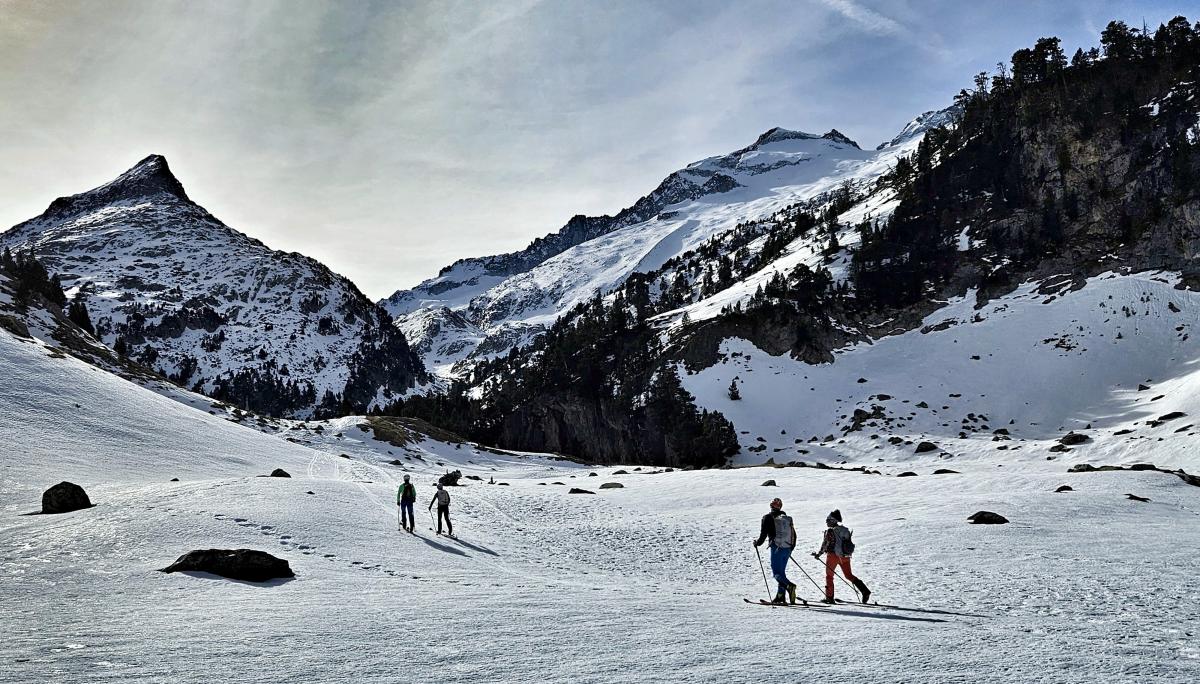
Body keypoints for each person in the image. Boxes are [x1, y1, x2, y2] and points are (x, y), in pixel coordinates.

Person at [814, 509, 870, 604]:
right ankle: (865, 591)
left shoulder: (830, 531)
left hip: (833, 556)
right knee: (849, 575)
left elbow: (825, 544)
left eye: (828, 520)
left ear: (833, 521)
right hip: (845, 556)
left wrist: (818, 554)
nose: (826, 522)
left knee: (829, 576)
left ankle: (829, 597)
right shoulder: (845, 530)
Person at [753, 497, 797, 604]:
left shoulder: (767, 517)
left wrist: (757, 543)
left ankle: (789, 586)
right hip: (787, 548)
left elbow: (763, 535)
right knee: (781, 573)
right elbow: (794, 534)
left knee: (776, 573)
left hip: (776, 547)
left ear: (771, 506)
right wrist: (790, 548)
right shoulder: (786, 518)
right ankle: (780, 596)